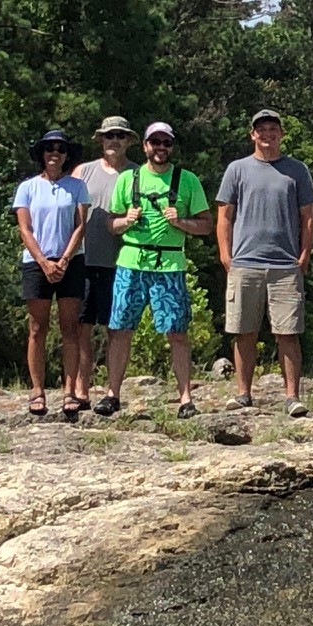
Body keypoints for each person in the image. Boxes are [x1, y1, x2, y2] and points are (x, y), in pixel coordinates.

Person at [103, 121, 213, 416]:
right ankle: (112, 393)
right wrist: (126, 221)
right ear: (145, 146)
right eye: (155, 142)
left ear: (171, 147)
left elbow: (206, 225)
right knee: (120, 329)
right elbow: (110, 224)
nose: (160, 148)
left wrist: (181, 222)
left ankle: (186, 398)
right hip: (131, 262)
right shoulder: (129, 179)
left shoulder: (187, 180)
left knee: (177, 331)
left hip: (170, 264)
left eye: (166, 143)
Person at [216, 110, 313, 417]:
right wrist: (225, 255)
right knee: (243, 330)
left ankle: (292, 397)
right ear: (252, 135)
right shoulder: (237, 169)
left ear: (281, 134)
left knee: (288, 332)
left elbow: (308, 217)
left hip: (285, 265)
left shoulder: (296, 170)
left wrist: (304, 255)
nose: (267, 134)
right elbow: (224, 215)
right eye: (262, 130)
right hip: (244, 262)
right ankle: (243, 393)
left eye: (273, 129)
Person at [13, 130, 90, 420]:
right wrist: (44, 262)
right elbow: (25, 228)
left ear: (67, 155)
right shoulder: (28, 187)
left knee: (70, 328)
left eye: (60, 149)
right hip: (37, 262)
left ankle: (70, 390)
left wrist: (65, 259)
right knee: (37, 328)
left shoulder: (77, 186)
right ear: (42, 154)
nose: (54, 154)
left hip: (70, 260)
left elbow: (80, 225)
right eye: (49, 149)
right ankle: (37, 390)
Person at [72, 116, 135, 416]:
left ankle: (112, 392)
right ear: (100, 139)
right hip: (84, 261)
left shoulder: (138, 175)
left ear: (129, 141)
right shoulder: (82, 172)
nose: (115, 141)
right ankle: (81, 389)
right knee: (81, 326)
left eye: (120, 136)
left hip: (122, 264)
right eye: (109, 135)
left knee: (117, 329)